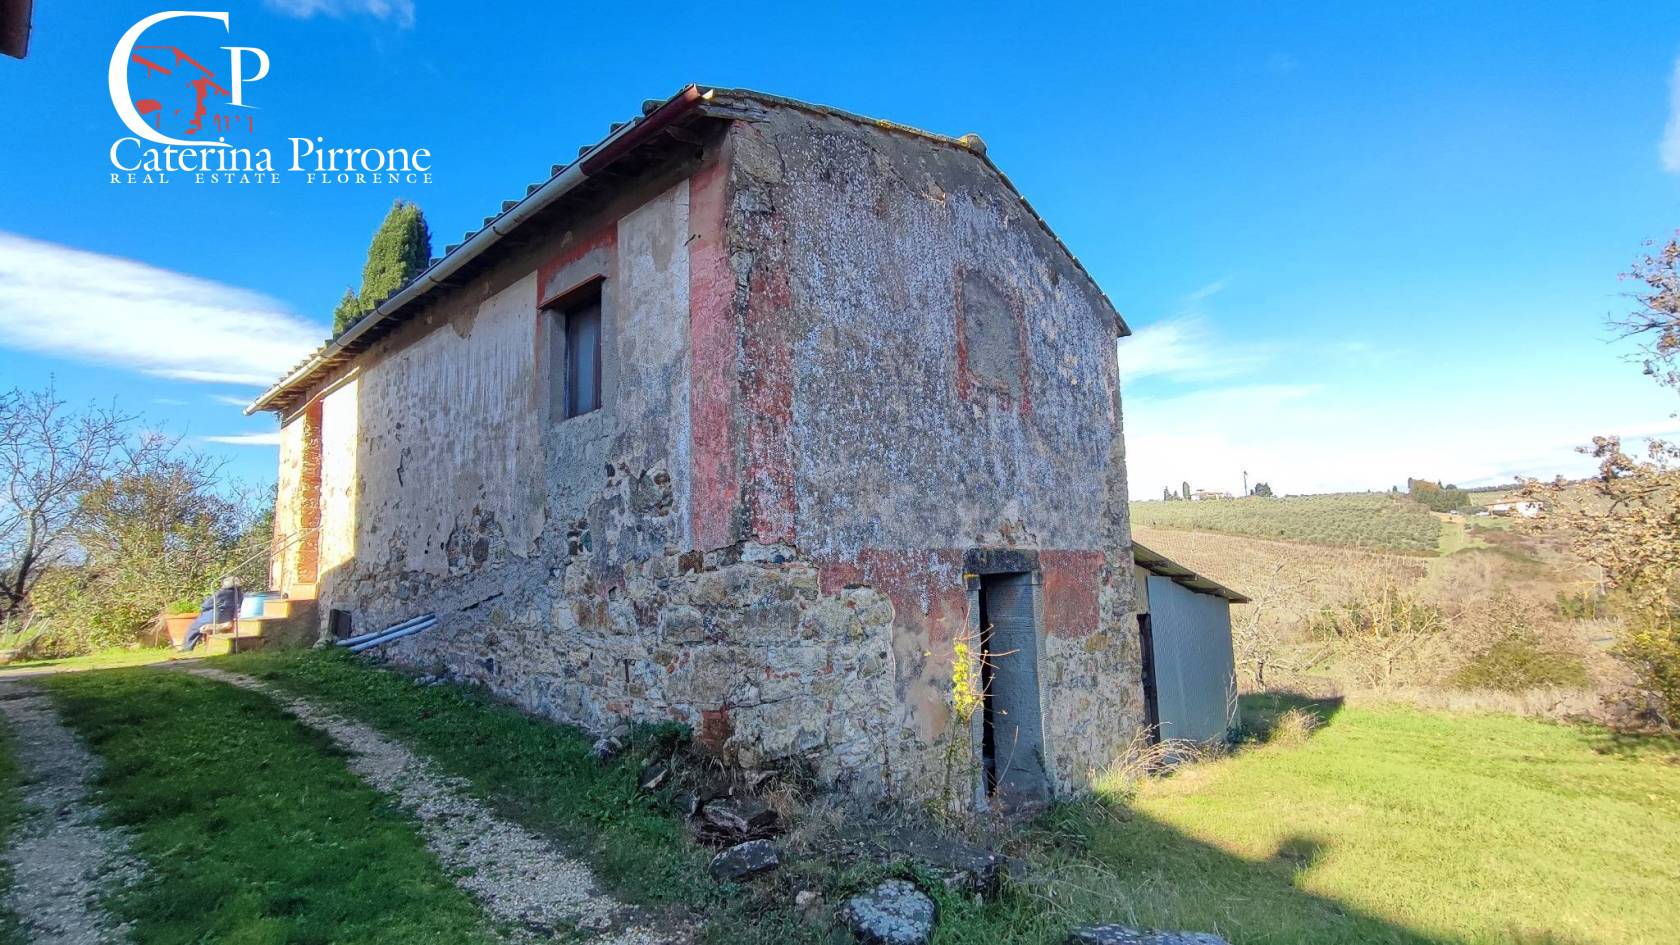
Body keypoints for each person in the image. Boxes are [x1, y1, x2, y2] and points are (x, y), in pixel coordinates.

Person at [180, 577, 243, 652]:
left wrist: (204, 609)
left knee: (193, 628)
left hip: (214, 617)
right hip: (228, 617)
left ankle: (186, 648)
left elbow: (205, 605)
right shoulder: (240, 594)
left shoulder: (221, 594)